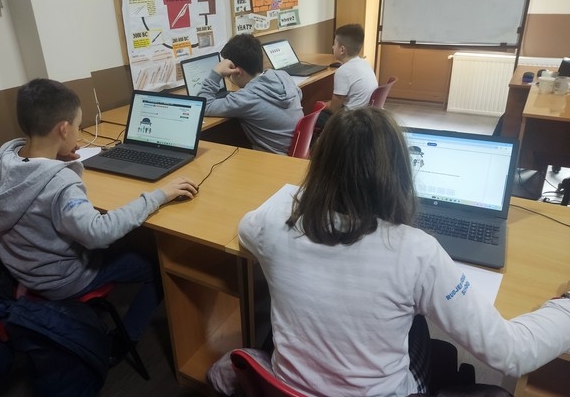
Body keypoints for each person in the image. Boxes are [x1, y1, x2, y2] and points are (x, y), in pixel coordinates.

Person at [210, 107, 570, 396]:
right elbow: (511, 353)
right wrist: (564, 305)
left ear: (318, 165)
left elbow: (246, 228)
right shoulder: (416, 251)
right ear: (398, 174)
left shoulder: (276, 218)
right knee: (419, 324)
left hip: (287, 387)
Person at [0, 78, 198, 364]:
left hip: (22, 267)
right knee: (156, 268)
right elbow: (97, 234)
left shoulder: (5, 156)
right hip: (60, 279)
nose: (79, 133)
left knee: (123, 233)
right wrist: (159, 196)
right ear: (63, 129)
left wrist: (60, 156)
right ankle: (123, 341)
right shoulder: (60, 183)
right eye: (78, 126)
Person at [198, 33, 303, 155]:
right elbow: (299, 95)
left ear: (237, 72)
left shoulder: (246, 98)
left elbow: (202, 106)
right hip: (295, 151)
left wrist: (216, 73)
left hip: (273, 159)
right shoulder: (282, 75)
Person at [316, 23, 378, 128]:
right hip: (366, 116)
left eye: (334, 44)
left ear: (342, 50)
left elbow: (334, 109)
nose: (332, 47)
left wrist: (320, 104)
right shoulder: (364, 63)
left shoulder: (343, 72)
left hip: (351, 121)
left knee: (315, 115)